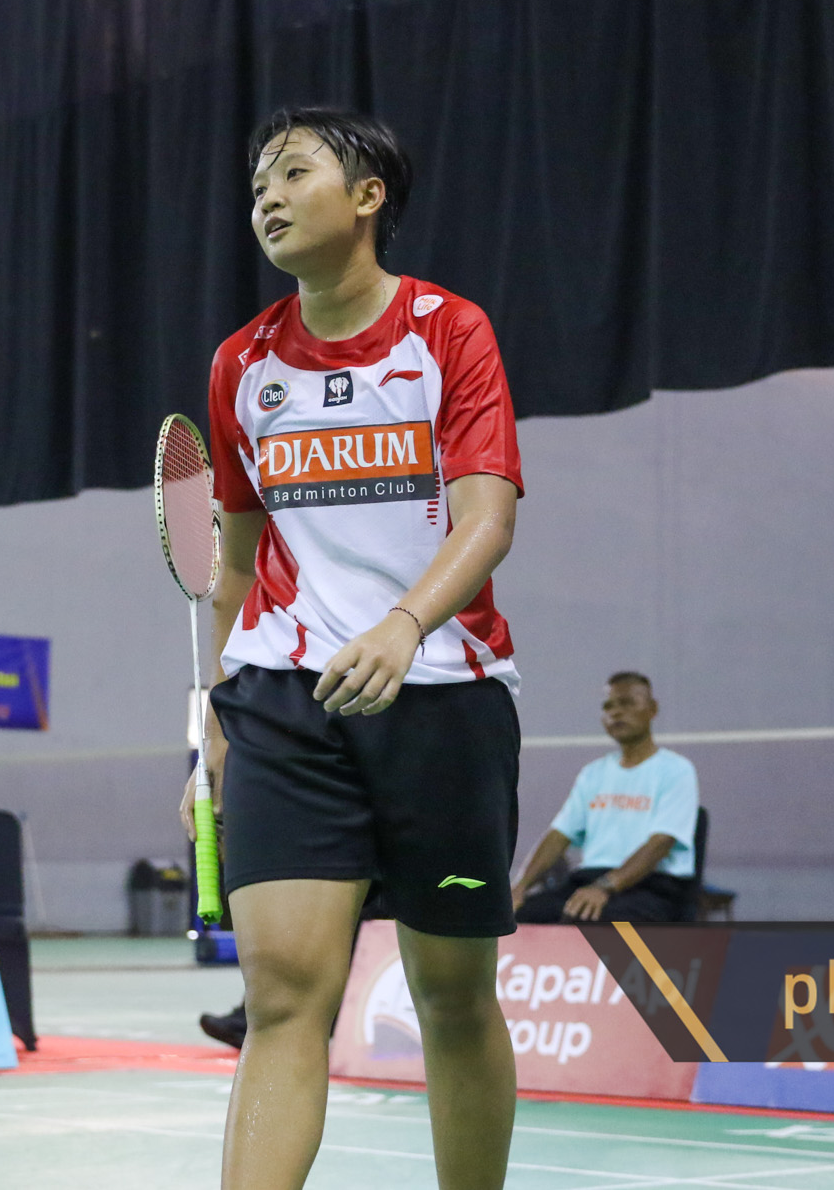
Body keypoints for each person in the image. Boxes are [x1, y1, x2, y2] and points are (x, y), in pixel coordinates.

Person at [186, 107, 524, 1189]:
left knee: (453, 998)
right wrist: (215, 722)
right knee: (282, 996)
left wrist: (404, 622)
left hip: (442, 694)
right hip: (285, 701)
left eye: (293, 174)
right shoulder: (241, 364)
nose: (267, 200)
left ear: (368, 196)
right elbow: (236, 567)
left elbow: (486, 518)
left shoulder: (448, 331)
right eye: (257, 187)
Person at [511, 672, 700, 924]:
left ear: (652, 709)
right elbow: (559, 835)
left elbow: (661, 842)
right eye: (608, 706)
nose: (616, 712)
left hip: (650, 886)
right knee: (520, 916)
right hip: (590, 879)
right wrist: (519, 887)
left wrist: (605, 887)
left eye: (627, 703)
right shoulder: (593, 774)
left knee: (587, 918)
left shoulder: (677, 770)